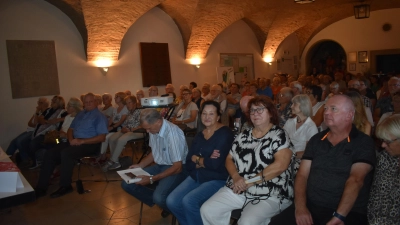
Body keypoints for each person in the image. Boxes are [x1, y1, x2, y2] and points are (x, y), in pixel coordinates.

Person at [269, 94, 376, 225]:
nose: (327, 112)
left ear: (349, 115)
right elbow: (302, 175)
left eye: (333, 109)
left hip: (348, 210)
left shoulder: (363, 142)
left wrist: (339, 216)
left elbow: (356, 180)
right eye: (325, 108)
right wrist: (301, 208)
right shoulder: (317, 140)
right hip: (312, 205)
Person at [201, 96, 294, 225]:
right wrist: (235, 177)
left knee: (247, 222)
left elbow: (280, 166)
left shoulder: (279, 134)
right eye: (252, 110)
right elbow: (229, 158)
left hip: (270, 191)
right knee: (208, 210)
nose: (255, 113)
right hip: (240, 186)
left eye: (260, 109)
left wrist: (249, 182)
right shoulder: (244, 135)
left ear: (270, 112)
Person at [166, 101, 234, 225]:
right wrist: (203, 160)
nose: (207, 117)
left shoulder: (225, 134)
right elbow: (189, 161)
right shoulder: (200, 135)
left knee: (188, 201)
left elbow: (215, 164)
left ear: (218, 116)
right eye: (204, 113)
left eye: (211, 114)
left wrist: (197, 159)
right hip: (197, 175)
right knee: (172, 201)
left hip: (217, 178)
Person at [34, 93, 108, 198]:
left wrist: (81, 141)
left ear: (96, 102)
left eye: (90, 102)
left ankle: (66, 186)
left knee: (66, 153)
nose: (88, 104)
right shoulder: (80, 114)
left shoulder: (99, 116)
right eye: (86, 102)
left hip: (90, 144)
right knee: (50, 153)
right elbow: (70, 129)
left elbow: (102, 138)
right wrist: (71, 139)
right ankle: (41, 187)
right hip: (73, 141)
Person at [121, 108, 188, 215]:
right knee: (127, 184)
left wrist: (151, 178)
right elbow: (154, 153)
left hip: (176, 169)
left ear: (158, 122)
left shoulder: (173, 134)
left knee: (159, 197)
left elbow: (177, 167)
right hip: (161, 165)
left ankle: (174, 208)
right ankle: (164, 204)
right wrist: (139, 165)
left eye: (148, 128)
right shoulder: (155, 128)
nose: (147, 131)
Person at [368, 115, 400, 225]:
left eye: (387, 141)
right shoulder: (385, 158)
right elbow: (377, 196)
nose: (383, 145)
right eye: (382, 140)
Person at [102, 95, 142, 171]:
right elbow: (126, 123)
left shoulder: (140, 111)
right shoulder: (129, 112)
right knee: (111, 138)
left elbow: (142, 125)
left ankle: (112, 160)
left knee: (121, 139)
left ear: (134, 103)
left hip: (137, 131)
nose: (127, 105)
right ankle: (116, 161)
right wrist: (124, 129)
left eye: (129, 103)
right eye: (126, 103)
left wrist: (130, 129)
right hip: (127, 130)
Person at [28, 95, 67, 169]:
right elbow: (40, 120)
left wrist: (56, 120)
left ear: (58, 103)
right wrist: (48, 121)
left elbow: (66, 119)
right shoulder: (48, 110)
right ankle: (37, 161)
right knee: (33, 143)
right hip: (44, 133)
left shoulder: (63, 112)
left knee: (55, 144)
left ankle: (49, 163)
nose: (51, 102)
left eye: (53, 101)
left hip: (55, 135)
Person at [6, 97, 49, 164]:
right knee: (14, 141)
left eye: (39, 103)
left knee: (19, 141)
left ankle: (25, 159)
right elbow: (29, 123)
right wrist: (36, 114)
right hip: (29, 130)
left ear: (43, 104)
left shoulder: (45, 112)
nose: (37, 105)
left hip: (34, 131)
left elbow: (35, 124)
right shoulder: (38, 112)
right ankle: (6, 158)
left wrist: (37, 113)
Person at [283, 94, 318, 171]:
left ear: (303, 106)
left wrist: (290, 156)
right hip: (286, 155)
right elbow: (281, 139)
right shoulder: (290, 122)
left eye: (294, 104)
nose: (291, 106)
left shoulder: (310, 126)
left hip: (299, 161)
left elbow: (309, 152)